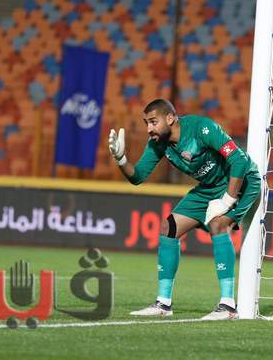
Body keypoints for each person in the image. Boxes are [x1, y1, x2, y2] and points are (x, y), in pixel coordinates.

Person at [108, 98, 261, 320]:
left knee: (218, 224)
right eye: (146, 123)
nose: (149, 129)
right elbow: (137, 177)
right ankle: (163, 304)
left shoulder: (202, 128)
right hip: (209, 188)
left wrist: (227, 200)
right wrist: (121, 159)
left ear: (170, 118)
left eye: (153, 122)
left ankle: (228, 306)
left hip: (241, 180)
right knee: (168, 227)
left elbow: (238, 160)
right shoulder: (158, 143)